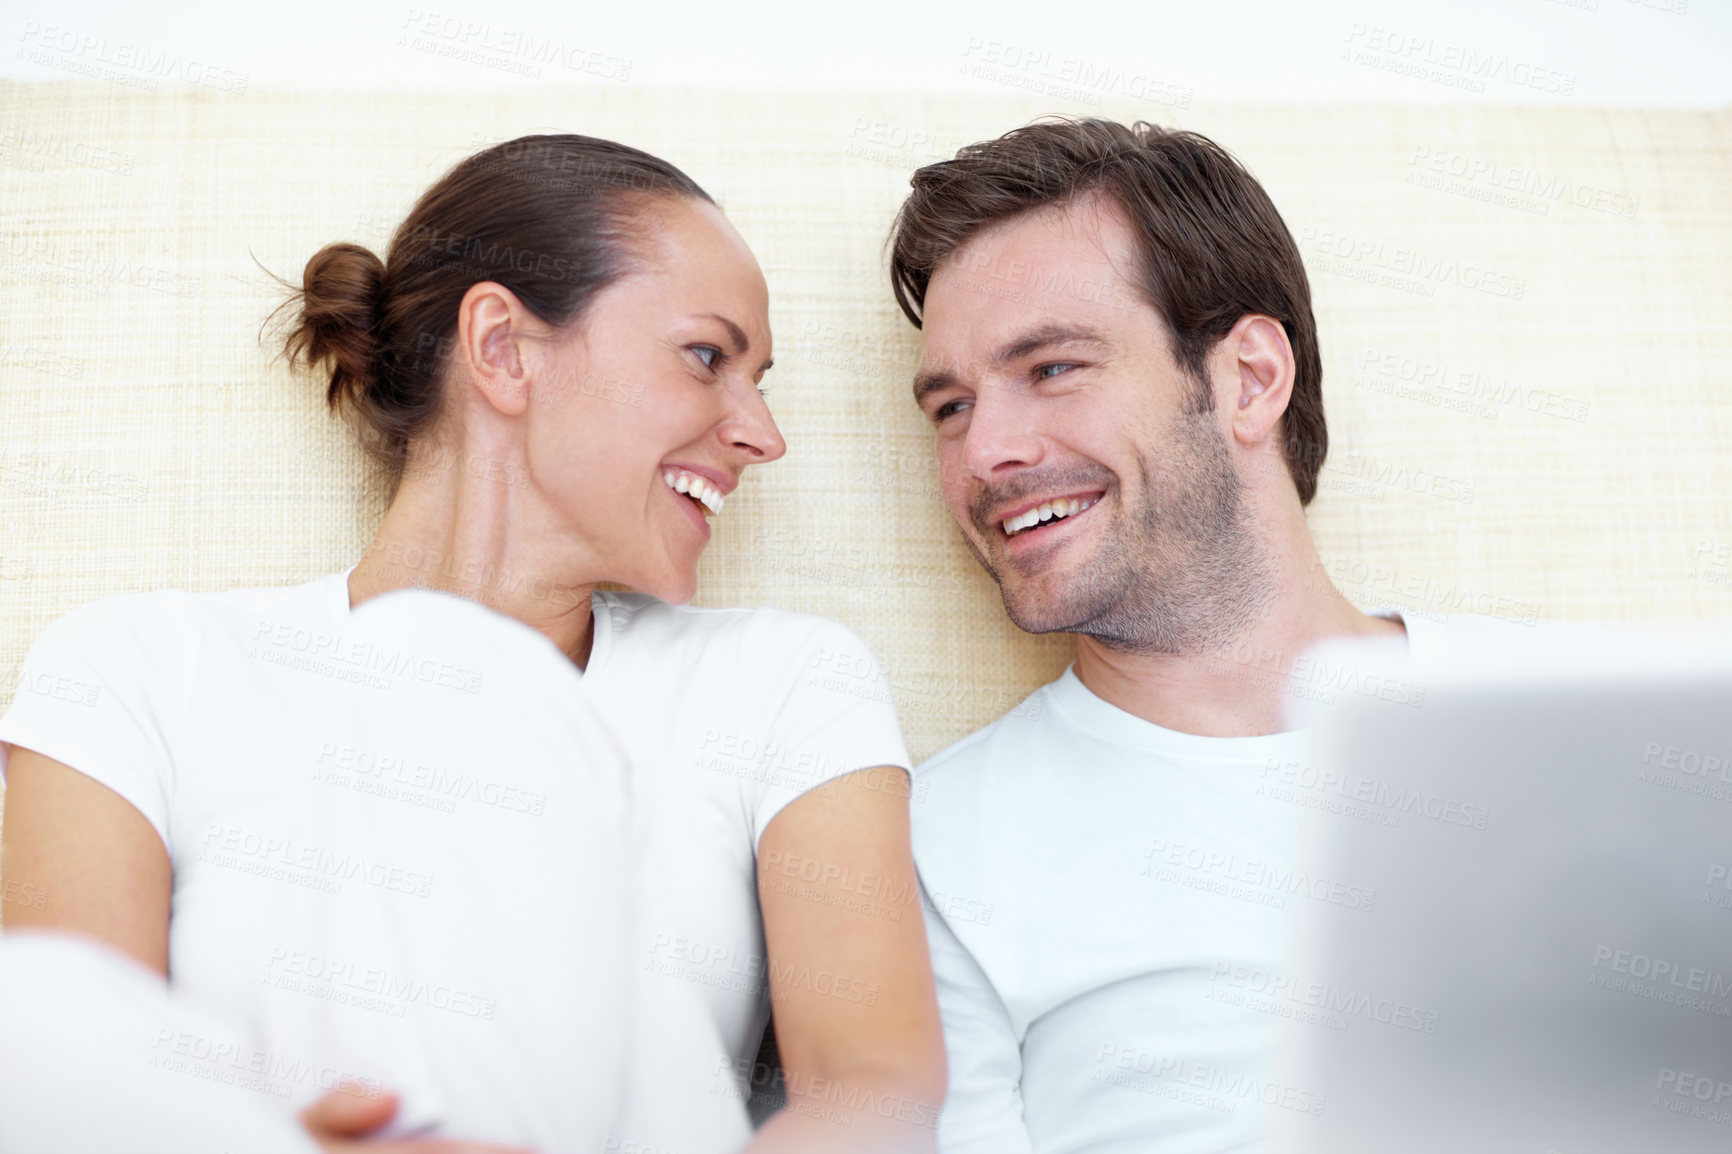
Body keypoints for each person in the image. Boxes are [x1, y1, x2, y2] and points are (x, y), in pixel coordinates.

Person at [0, 134, 944, 1154]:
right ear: (501, 346)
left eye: (756, 378)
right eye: (707, 357)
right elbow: (62, 1076)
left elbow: (876, 1096)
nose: (763, 432)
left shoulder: (785, 682)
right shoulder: (139, 669)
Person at [885, 118, 1465, 1152]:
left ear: (1247, 378)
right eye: (950, 406)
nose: (986, 453)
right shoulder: (932, 843)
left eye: (1053, 367)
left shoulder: (1592, 714)